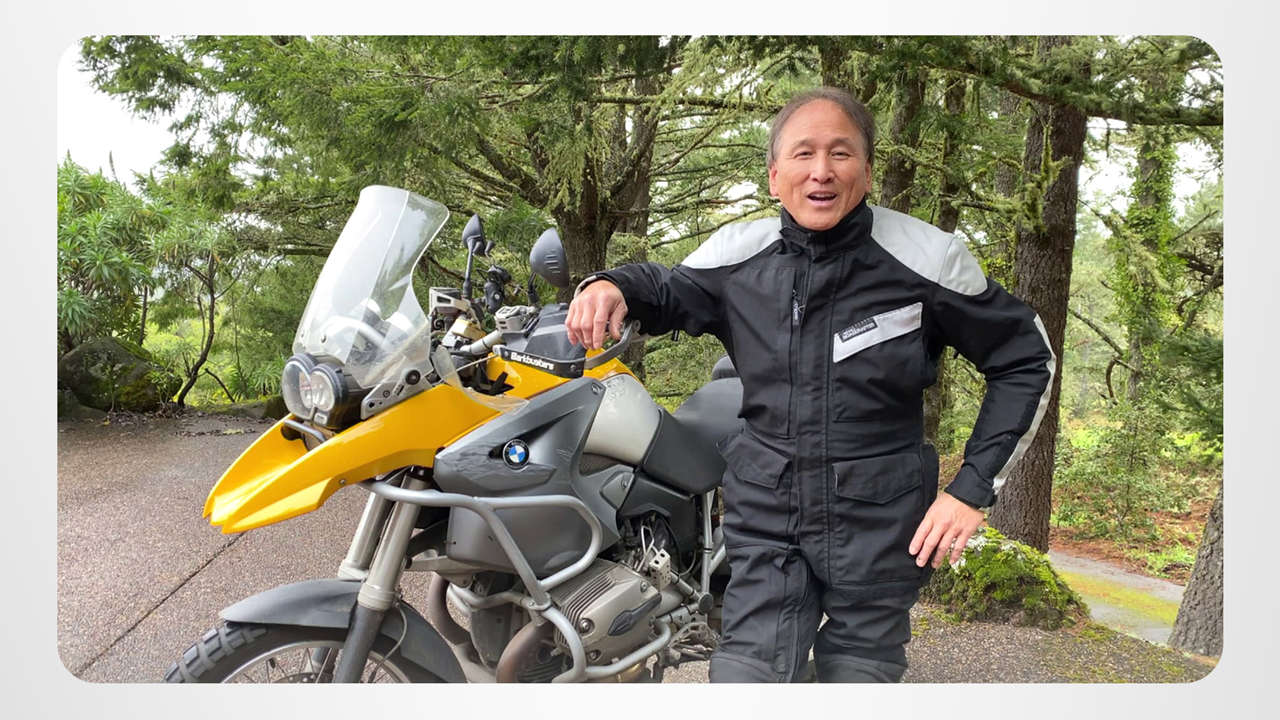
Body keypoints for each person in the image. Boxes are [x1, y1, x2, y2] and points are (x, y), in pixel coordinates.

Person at [565, 87, 1055, 683]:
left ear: (867, 172)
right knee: (747, 679)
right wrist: (610, 284)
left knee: (857, 679)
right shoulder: (739, 256)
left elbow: (1026, 360)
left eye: (840, 153)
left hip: (880, 523)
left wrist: (971, 489)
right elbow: (664, 289)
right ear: (775, 176)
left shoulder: (928, 259)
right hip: (768, 517)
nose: (822, 171)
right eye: (803, 153)